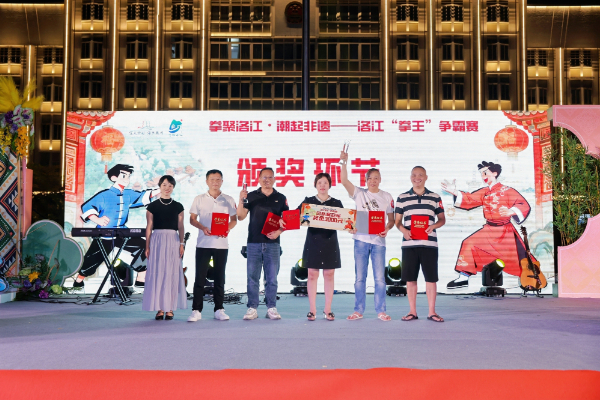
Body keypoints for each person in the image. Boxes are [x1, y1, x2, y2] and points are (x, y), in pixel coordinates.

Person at [441, 161, 533, 289]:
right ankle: (463, 277)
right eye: (481, 174)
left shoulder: (507, 190)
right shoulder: (484, 191)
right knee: (468, 243)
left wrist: (511, 211)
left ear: (495, 173)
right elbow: (469, 199)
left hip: (504, 231)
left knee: (517, 258)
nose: (483, 176)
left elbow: (523, 204)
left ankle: (529, 280)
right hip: (489, 229)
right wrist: (455, 192)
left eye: (485, 173)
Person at [280, 173, 351, 321]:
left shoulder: (336, 203)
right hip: (313, 241)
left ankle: (328, 309)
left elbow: (346, 222)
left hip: (330, 242)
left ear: (330, 185)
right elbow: (295, 216)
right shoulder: (309, 201)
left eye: (325, 182)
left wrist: (352, 227)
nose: (322, 185)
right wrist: (283, 219)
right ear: (315, 185)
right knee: (312, 274)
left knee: (329, 274)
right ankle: (312, 310)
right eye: (320, 182)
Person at [75, 164, 160, 288]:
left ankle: (141, 277)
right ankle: (78, 281)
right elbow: (87, 207)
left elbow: (144, 196)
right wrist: (97, 219)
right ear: (114, 178)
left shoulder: (128, 194)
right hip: (105, 235)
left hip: (122, 233)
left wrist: (162, 189)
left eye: (128, 176)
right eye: (124, 176)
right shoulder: (104, 195)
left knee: (144, 246)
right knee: (92, 259)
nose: (127, 179)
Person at [340, 150, 395, 321]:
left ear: (380, 179)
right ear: (365, 180)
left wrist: (387, 228)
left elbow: (391, 220)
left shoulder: (387, 196)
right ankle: (358, 310)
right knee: (360, 279)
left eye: (376, 178)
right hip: (361, 241)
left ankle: (381, 311)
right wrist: (343, 162)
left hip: (379, 242)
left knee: (380, 279)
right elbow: (343, 181)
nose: (373, 181)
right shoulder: (359, 193)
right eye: (370, 178)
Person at [395, 166, 446, 322]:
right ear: (410, 177)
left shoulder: (435, 197)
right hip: (409, 244)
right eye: (414, 175)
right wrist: (403, 230)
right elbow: (397, 221)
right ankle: (412, 312)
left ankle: (432, 312)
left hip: (429, 244)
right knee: (410, 279)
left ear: (426, 177)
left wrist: (433, 226)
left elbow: (442, 219)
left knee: (431, 279)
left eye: (420, 175)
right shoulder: (402, 197)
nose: (417, 178)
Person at [238, 167, 289, 320]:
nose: (267, 180)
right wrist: (241, 200)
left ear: (274, 179)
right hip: (253, 243)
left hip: (273, 244)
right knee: (252, 278)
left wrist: (278, 232)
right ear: (259, 179)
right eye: (264, 177)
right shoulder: (251, 196)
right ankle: (252, 308)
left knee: (272, 279)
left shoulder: (281, 198)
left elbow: (287, 220)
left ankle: (271, 308)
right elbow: (240, 216)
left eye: (270, 177)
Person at [187, 170, 238, 322]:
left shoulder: (228, 199)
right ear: (207, 181)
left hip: (221, 244)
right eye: (212, 179)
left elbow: (234, 219)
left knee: (219, 278)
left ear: (222, 181)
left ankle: (219, 309)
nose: (215, 182)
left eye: (218, 179)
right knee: (200, 277)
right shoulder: (199, 199)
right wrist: (203, 227)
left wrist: (228, 228)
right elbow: (192, 219)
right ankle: (196, 310)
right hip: (203, 243)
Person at [142, 175, 187, 320]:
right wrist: (147, 246)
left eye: (170, 186)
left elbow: (181, 226)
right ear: (160, 186)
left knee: (171, 273)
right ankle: (160, 308)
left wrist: (182, 244)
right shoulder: (152, 206)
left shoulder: (178, 206)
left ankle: (170, 308)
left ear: (173, 188)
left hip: (173, 240)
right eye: (164, 185)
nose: (167, 188)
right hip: (157, 240)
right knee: (158, 273)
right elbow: (149, 227)